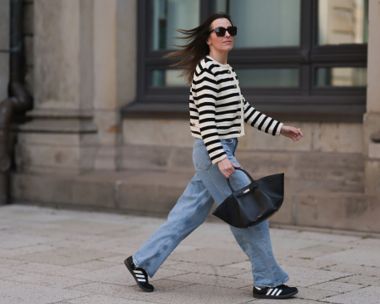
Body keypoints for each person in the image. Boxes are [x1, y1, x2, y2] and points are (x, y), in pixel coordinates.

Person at [124, 13, 303, 300]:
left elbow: (245, 111)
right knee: (251, 213)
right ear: (208, 38)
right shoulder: (207, 72)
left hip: (218, 152)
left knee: (187, 214)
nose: (227, 34)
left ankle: (142, 262)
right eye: (220, 30)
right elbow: (206, 121)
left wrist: (280, 128)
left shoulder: (226, 71)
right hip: (214, 153)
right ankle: (267, 280)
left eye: (231, 29)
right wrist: (221, 158)